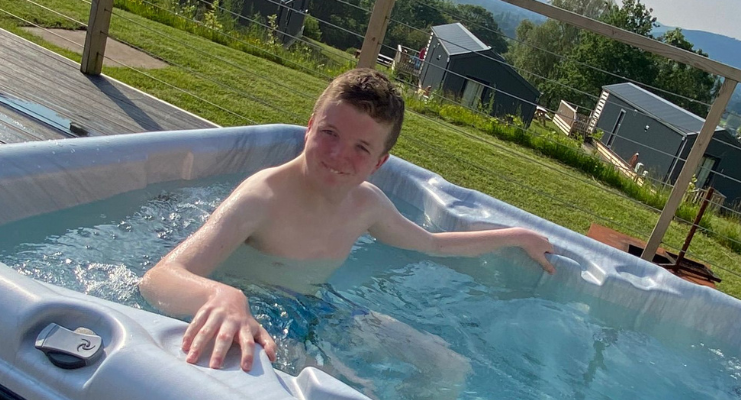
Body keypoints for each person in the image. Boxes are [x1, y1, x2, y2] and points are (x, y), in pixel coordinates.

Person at [139, 69, 555, 378]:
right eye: (330, 133)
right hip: (257, 315)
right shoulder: (262, 197)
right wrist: (223, 296)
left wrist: (516, 236)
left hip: (317, 309)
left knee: (448, 366)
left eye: (361, 147)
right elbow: (159, 278)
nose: (339, 155)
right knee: (348, 389)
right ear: (309, 128)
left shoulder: (366, 206)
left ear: (379, 163)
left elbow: (432, 244)